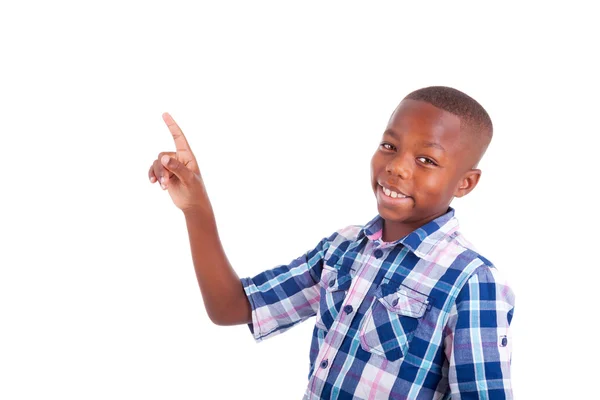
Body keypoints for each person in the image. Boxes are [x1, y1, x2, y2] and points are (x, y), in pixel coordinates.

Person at [148, 86, 515, 399]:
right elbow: (232, 307)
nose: (397, 167)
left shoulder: (471, 281)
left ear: (465, 183)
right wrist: (196, 208)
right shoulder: (343, 249)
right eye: (390, 145)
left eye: (426, 159)